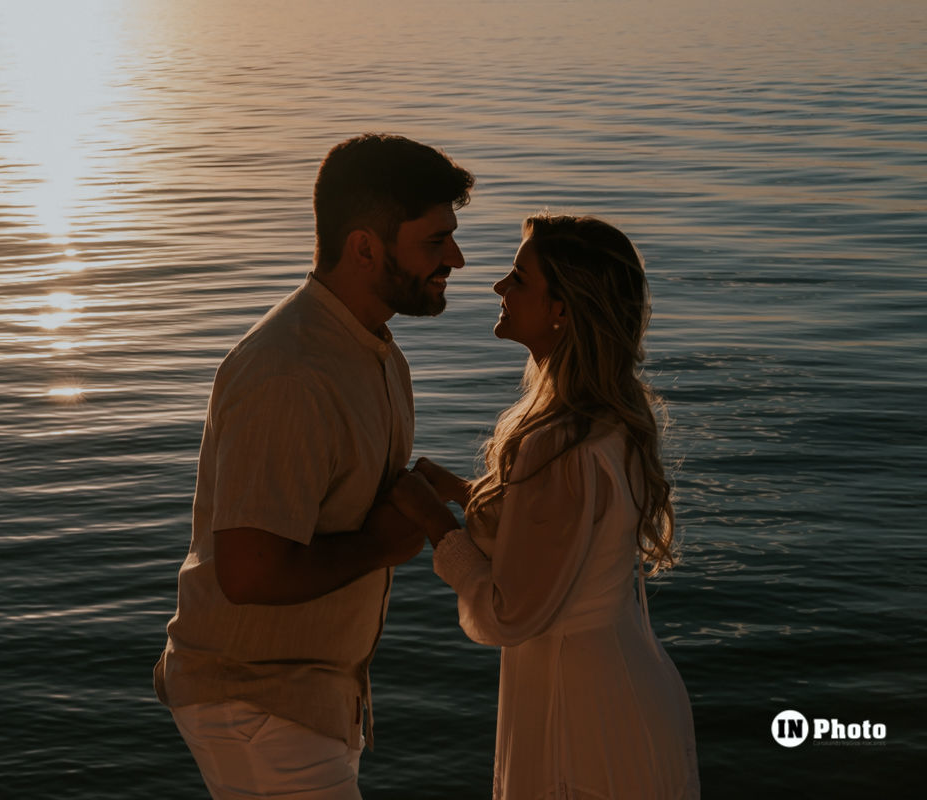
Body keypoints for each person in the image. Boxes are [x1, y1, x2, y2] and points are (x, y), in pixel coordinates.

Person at [154, 134, 475, 800]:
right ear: (364, 247)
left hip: (306, 699)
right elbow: (248, 571)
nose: (457, 259)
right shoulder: (291, 373)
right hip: (256, 702)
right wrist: (381, 544)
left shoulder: (373, 352)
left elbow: (335, 492)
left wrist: (415, 493)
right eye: (434, 241)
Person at [388, 214, 700, 799]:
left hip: (579, 717)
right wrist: (463, 491)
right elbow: (566, 533)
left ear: (562, 309)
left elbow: (510, 613)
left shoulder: (558, 443)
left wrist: (434, 522)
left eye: (519, 279)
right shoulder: (611, 414)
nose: (499, 288)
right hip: (625, 685)